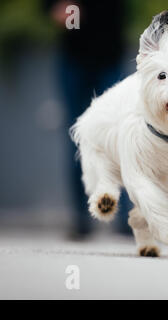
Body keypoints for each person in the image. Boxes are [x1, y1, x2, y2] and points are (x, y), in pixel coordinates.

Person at [44, 0, 132, 238]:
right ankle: (82, 219)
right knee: (78, 138)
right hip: (74, 57)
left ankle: (124, 218)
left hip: (110, 56)